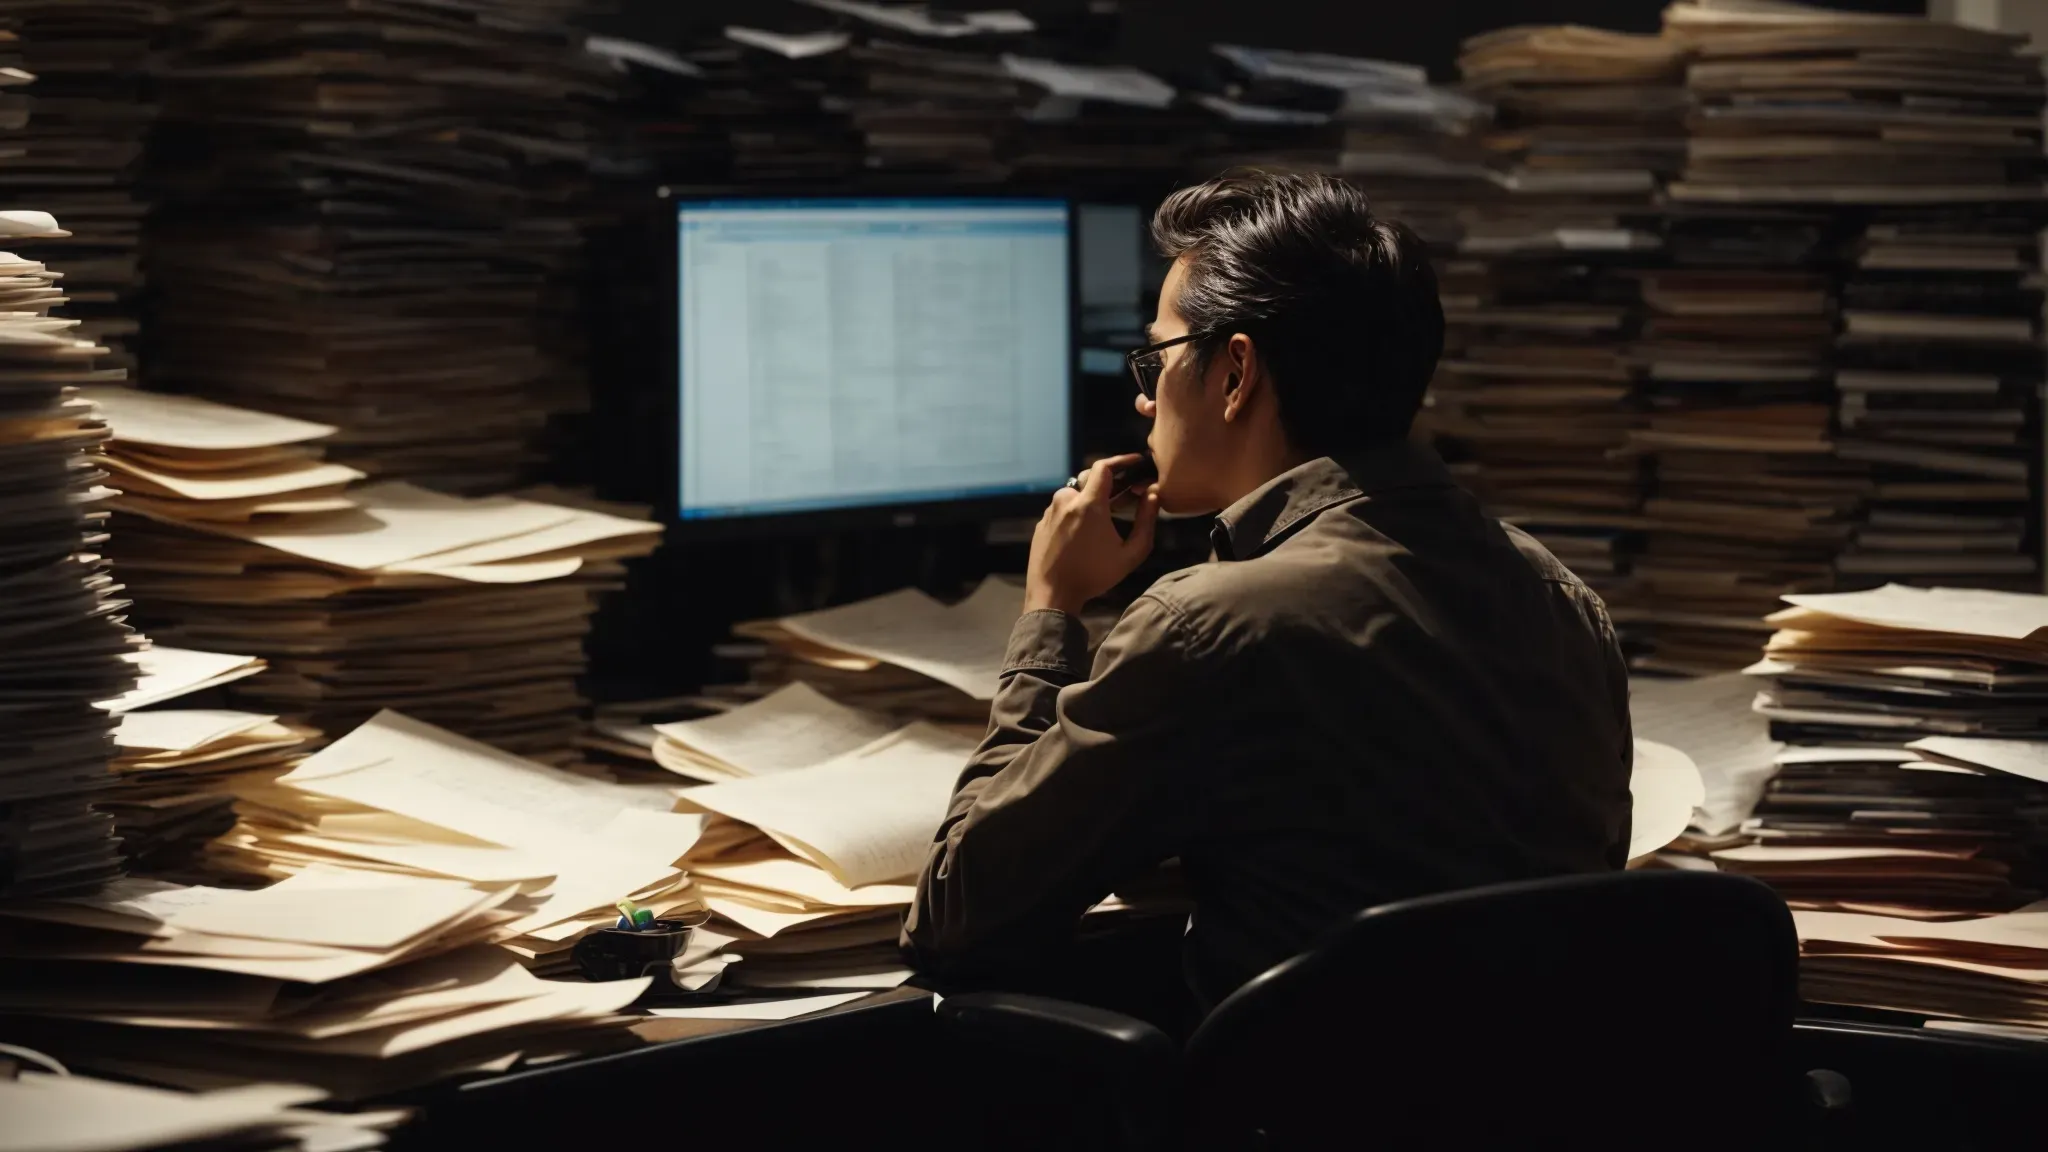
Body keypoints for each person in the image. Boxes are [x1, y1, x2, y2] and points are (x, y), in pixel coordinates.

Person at [902, 171, 1634, 1020]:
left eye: (1158, 358)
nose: (1143, 397)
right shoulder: (1563, 600)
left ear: (1235, 373)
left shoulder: (1210, 624)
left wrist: (1052, 609)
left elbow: (959, 915)